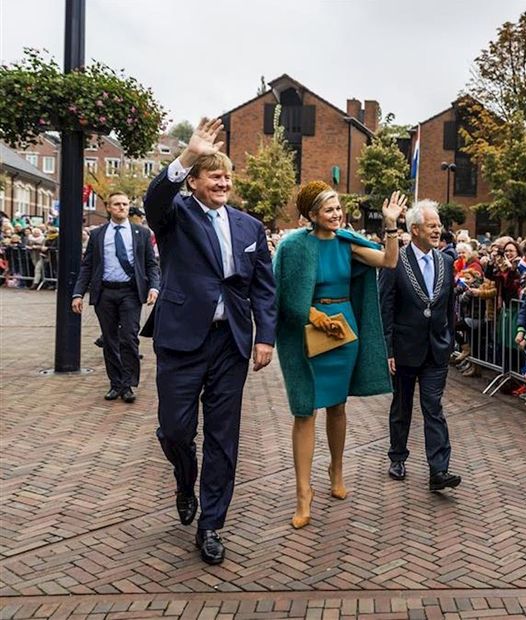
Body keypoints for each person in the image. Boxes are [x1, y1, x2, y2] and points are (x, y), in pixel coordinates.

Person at [142, 117, 276, 565]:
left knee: (223, 437)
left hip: (231, 343)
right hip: (182, 339)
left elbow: (263, 286)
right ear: (195, 181)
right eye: (213, 175)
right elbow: (154, 198)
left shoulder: (249, 227)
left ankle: (212, 524)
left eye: (227, 176)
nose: (222, 181)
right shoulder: (175, 215)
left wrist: (265, 338)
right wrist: (188, 153)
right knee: (176, 429)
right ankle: (185, 477)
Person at [273, 182, 405, 528]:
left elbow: (389, 261)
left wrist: (390, 224)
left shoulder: (348, 243)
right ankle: (303, 495)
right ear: (311, 215)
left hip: (344, 334)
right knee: (305, 411)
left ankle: (337, 469)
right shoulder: (293, 246)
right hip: (309, 332)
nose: (336, 214)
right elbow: (282, 293)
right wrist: (313, 316)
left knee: (338, 405)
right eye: (328, 209)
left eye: (337, 208)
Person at [380, 200, 462, 492]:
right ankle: (397, 456)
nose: (438, 230)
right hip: (403, 347)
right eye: (432, 226)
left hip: (436, 349)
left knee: (433, 406)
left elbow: (451, 304)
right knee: (402, 406)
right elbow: (385, 305)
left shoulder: (446, 261)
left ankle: (439, 470)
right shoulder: (395, 260)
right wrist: (387, 348)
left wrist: (450, 338)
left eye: (439, 225)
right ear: (415, 230)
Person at [72, 191, 160, 403]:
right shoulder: (98, 235)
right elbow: (87, 267)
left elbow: (151, 264)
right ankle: (116, 383)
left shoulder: (142, 233)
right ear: (109, 208)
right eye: (117, 204)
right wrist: (78, 293)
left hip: (130, 292)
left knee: (129, 338)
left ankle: (129, 384)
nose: (122, 207)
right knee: (110, 340)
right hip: (105, 293)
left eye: (125, 204)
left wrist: (154, 287)